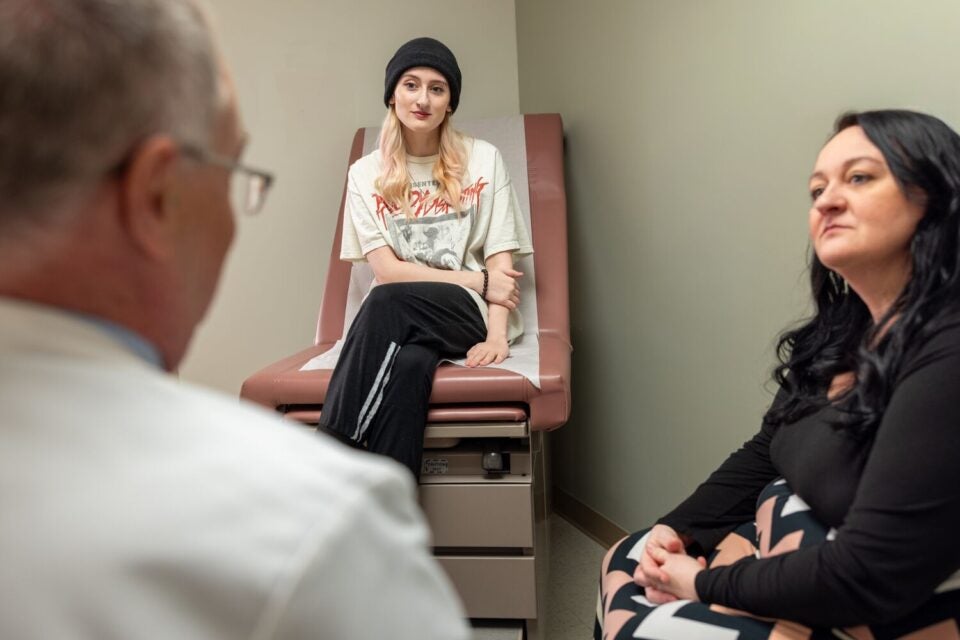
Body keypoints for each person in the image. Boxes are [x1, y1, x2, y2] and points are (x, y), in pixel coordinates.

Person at [0, 2, 470, 638]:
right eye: (233, 175)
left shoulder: (480, 166)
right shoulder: (322, 525)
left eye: (435, 87)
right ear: (156, 195)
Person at [596, 110, 960, 639]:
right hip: (791, 540)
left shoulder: (947, 350)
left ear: (936, 194)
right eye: (817, 189)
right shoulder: (841, 333)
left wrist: (701, 583)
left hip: (876, 599)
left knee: (655, 628)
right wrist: (677, 531)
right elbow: (767, 447)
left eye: (859, 177)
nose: (827, 201)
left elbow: (869, 574)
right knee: (627, 557)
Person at [317, 37, 534, 476]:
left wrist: (495, 336)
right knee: (410, 366)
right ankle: (393, 513)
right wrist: (477, 280)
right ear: (392, 94)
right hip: (403, 316)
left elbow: (500, 261)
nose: (422, 99)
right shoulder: (365, 174)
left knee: (383, 300)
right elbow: (386, 270)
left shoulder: (483, 159)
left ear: (450, 102)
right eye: (411, 84)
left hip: (464, 315)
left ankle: (327, 458)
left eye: (437, 88)